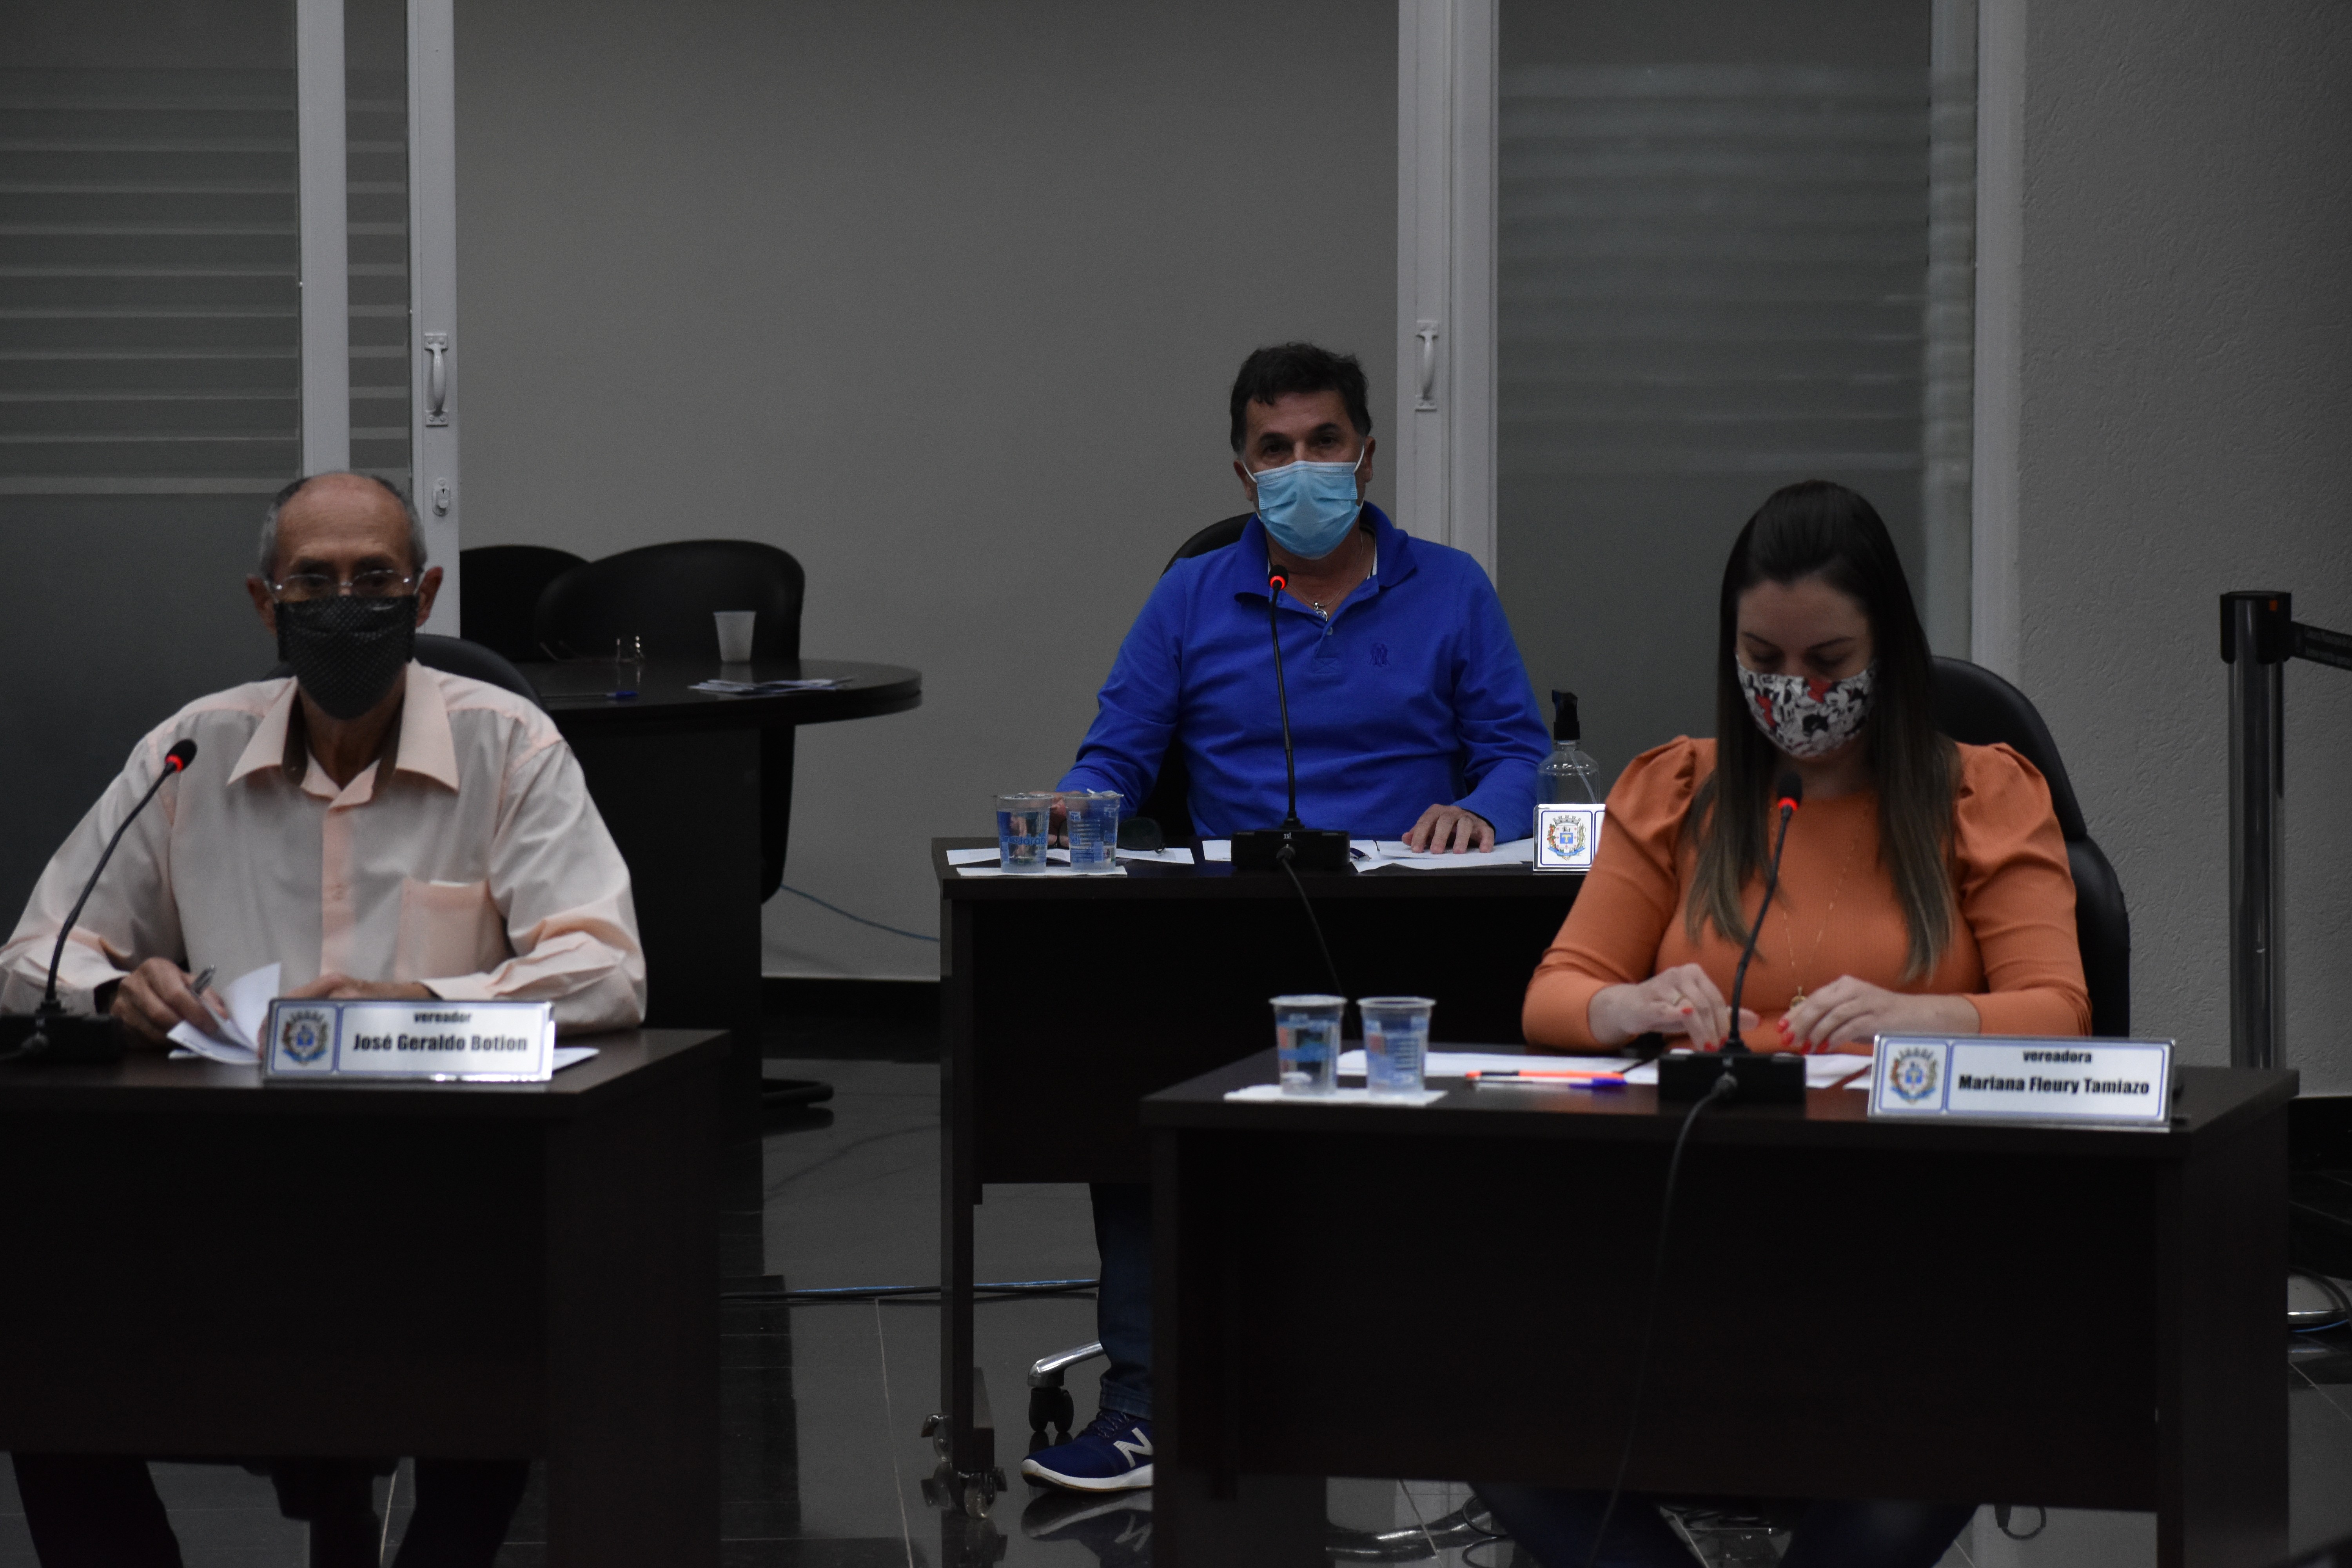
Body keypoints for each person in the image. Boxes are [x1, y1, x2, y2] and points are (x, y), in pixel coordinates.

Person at [0, 471, 644, 1568]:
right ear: (267, 604)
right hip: (221, 1183)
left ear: (422, 596)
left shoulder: (509, 746)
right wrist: (114, 994)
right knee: (41, 1338)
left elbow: (607, 968)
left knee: (510, 1336)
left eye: (375, 579)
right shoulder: (190, 751)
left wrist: (424, 1001)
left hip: (443, 1189)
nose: (346, 606)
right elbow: (32, 960)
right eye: (313, 582)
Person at [1495, 479, 2086, 1567]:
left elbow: (2061, 1012)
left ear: (1890, 650)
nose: (1795, 692)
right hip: (1690, 1234)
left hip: (1910, 1252)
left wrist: (1923, 1017)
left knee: (1925, 1434)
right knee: (1490, 1405)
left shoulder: (1980, 795)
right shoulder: (1679, 790)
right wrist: (1631, 1004)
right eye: (1763, 660)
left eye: (1828, 662)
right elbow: (1556, 994)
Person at [1022, 343, 1551, 1494]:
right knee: (1132, 1070)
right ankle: (1147, 1401)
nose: (1302, 466)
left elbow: (1519, 753)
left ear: (1367, 454)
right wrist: (1080, 800)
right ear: (1242, 471)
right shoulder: (1191, 596)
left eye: (1324, 442)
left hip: (1415, 924)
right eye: (1276, 449)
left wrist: (1478, 812)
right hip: (1235, 928)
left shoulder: (1451, 587)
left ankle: (1490, 1394)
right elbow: (1117, 752)